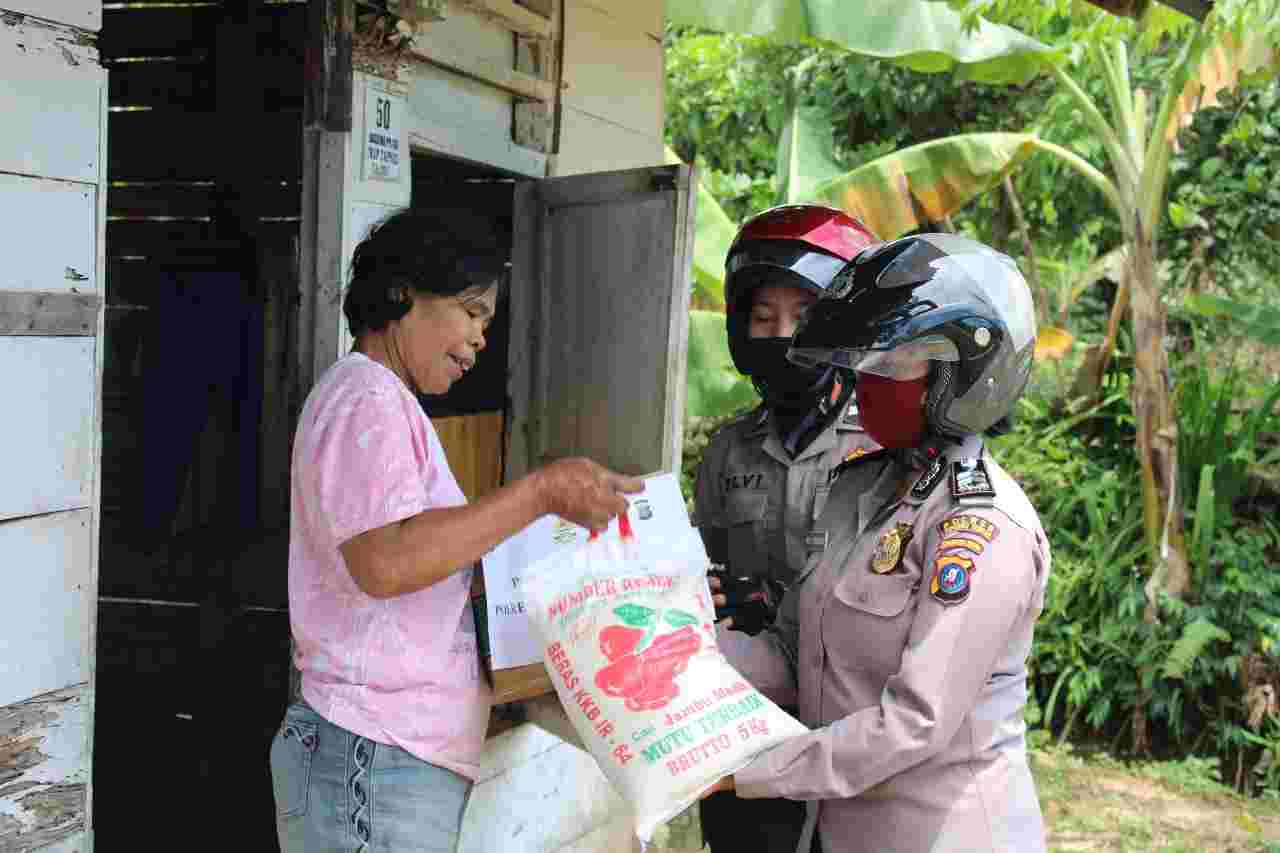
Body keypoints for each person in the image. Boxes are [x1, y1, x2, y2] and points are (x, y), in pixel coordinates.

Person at [269, 208, 643, 852]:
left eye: (488, 324)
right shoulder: (369, 400)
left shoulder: (386, 404)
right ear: (403, 295)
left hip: (385, 754)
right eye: (471, 312)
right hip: (372, 752)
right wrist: (541, 492)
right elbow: (385, 563)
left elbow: (421, 566)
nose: (479, 340)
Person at [707, 233, 1051, 853]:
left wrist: (747, 772)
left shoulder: (980, 526)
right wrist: (681, 654)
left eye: (893, 367)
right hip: (840, 830)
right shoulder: (858, 489)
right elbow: (796, 656)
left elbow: (914, 724)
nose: (868, 384)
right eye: (865, 364)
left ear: (964, 376)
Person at [693, 205, 880, 853]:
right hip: (746, 731)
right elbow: (704, 577)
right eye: (763, 316)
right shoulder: (729, 452)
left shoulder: (886, 447)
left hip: (850, 736)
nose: (781, 334)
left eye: (802, 316)